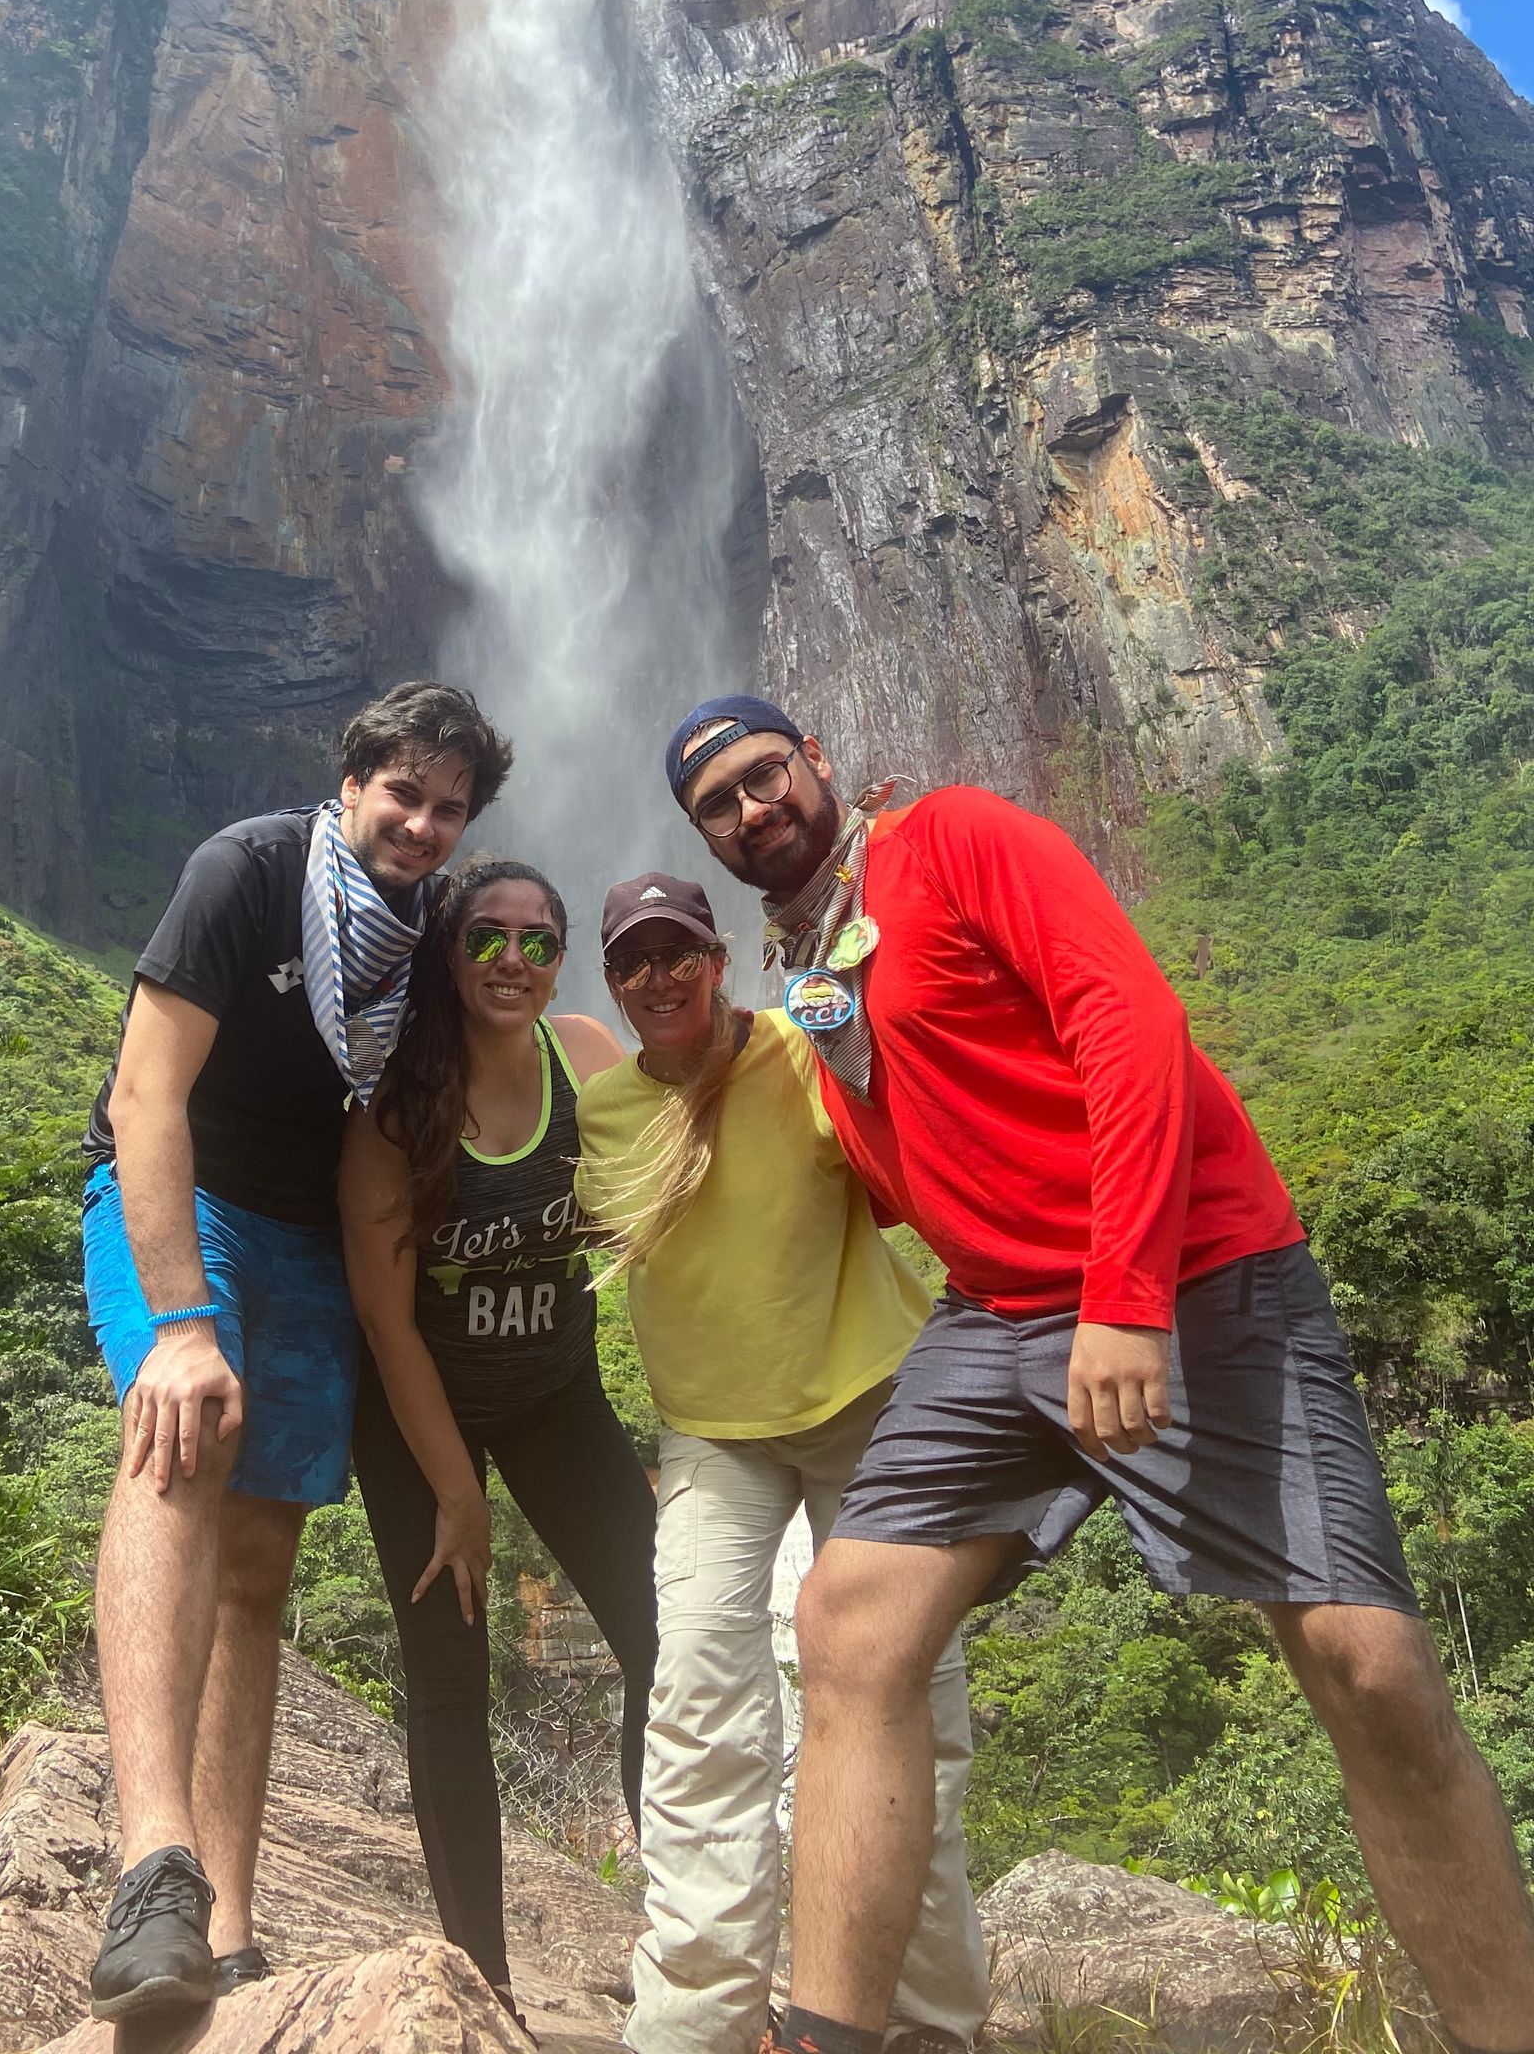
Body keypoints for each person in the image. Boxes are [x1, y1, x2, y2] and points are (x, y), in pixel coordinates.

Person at [656, 694, 1534, 2054]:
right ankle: (827, 2036)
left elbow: (1129, 1023)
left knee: (1368, 1667)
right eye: (720, 804)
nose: (753, 808)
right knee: (848, 1622)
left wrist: (1122, 1294)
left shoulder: (956, 837)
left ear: (818, 761)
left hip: (1193, 1277)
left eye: (766, 775)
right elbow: (898, 1169)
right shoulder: (804, 959)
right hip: (996, 1315)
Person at [79, 682, 513, 2020]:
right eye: (407, 794)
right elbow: (146, 1092)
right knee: (179, 1447)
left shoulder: (429, 935)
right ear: (353, 781)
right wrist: (185, 1322)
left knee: (262, 1561)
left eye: (451, 808)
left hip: (315, 1240)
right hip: (182, 1201)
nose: (426, 824)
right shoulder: (250, 872)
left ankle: (226, 1916)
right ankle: (151, 1871)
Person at [574, 871, 988, 2054]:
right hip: (713, 1434)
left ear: (720, 957)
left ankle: (922, 2016)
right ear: (614, 979)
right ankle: (692, 2024)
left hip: (868, 1405)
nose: (660, 977)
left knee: (908, 1702)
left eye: (680, 952)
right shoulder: (602, 1114)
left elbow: (905, 1167)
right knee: (698, 1701)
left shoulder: (801, 1054)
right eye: (635, 960)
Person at [339, 855, 659, 2032]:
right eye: (485, 936)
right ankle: (485, 1986)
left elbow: (656, 1189)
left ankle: (680, 1931)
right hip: (418, 1404)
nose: (512, 958)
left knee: (664, 1640)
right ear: (448, 953)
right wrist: (454, 1498)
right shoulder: (397, 1105)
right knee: (449, 1684)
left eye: (538, 937)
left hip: (555, 1389)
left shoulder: (586, 1055)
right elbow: (384, 1313)